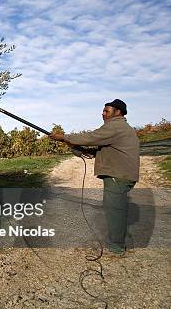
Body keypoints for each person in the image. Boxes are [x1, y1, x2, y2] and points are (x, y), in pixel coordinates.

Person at [50, 99, 140, 255]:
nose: (103, 113)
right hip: (120, 175)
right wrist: (76, 148)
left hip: (117, 176)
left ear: (118, 112)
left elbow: (91, 136)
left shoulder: (116, 126)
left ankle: (116, 248)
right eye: (103, 111)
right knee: (115, 210)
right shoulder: (119, 128)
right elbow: (102, 148)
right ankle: (117, 242)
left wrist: (64, 137)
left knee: (115, 211)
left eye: (107, 111)